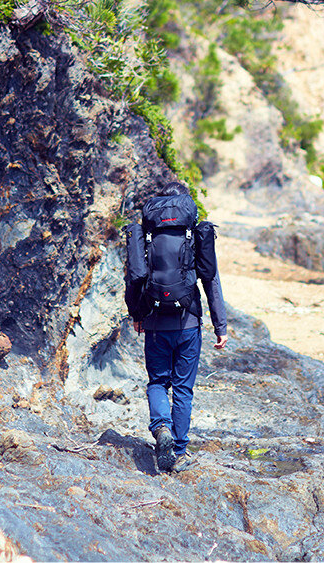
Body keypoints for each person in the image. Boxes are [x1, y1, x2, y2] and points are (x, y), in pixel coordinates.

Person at [126, 182, 228, 473]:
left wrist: (137, 314)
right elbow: (211, 281)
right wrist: (220, 325)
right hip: (189, 322)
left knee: (158, 381)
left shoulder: (146, 235)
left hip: (155, 321)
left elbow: (134, 277)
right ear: (185, 204)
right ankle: (179, 450)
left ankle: (161, 428)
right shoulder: (195, 234)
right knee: (183, 387)